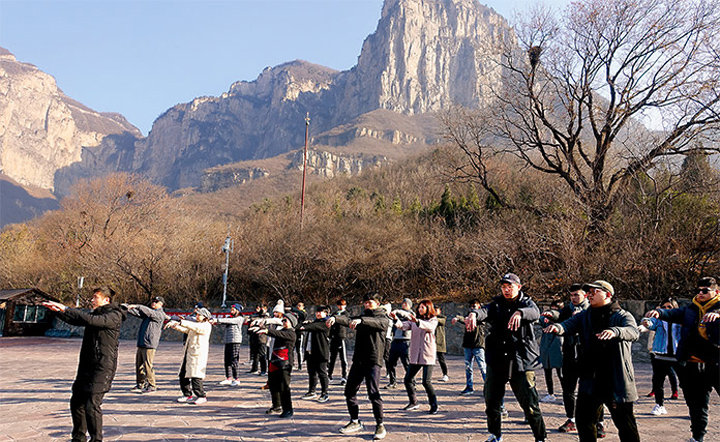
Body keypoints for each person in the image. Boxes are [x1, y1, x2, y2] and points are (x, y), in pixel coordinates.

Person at [545, 280, 640, 442]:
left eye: (594, 291)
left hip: (615, 380)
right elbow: (568, 324)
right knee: (584, 421)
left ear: (607, 294)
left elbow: (633, 331)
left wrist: (615, 331)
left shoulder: (621, 315)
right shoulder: (585, 315)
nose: (589, 295)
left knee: (626, 425)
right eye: (588, 292)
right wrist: (558, 328)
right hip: (590, 379)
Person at [467, 273, 548, 442]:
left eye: (510, 286)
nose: (506, 290)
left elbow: (535, 312)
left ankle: (540, 437)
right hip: (497, 360)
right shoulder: (497, 304)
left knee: (530, 405)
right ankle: (496, 435)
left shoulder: (527, 303)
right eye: (503, 287)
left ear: (519, 287)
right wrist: (474, 314)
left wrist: (520, 312)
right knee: (491, 402)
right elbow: (484, 311)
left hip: (521, 361)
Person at [43, 286, 127, 442]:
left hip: (102, 367)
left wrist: (66, 308)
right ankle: (78, 438)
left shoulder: (114, 315)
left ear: (106, 300)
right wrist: (58, 311)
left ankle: (96, 439)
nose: (92, 300)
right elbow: (77, 320)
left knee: (91, 405)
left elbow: (91, 320)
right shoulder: (96, 313)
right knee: (76, 402)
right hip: (87, 365)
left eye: (96, 297)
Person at [645, 276, 720, 442]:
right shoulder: (691, 309)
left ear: (716, 292)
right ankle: (697, 437)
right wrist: (660, 312)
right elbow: (673, 313)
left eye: (705, 291)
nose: (700, 293)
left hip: (716, 363)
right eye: (698, 290)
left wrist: (717, 314)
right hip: (693, 364)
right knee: (697, 405)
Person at [543, 284, 605, 435]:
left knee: (595, 390)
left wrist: (581, 316)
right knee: (568, 390)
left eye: (577, 295)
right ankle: (571, 419)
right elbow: (558, 315)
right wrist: (550, 314)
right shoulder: (567, 310)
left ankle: (599, 422)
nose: (573, 298)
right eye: (571, 295)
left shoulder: (592, 310)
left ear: (585, 295)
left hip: (588, 355)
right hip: (569, 355)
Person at [328, 291, 391, 441]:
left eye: (370, 302)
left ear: (378, 303)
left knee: (373, 393)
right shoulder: (362, 317)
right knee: (349, 391)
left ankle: (380, 425)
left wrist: (361, 321)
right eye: (365, 302)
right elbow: (348, 319)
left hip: (373, 359)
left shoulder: (383, 318)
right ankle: (355, 421)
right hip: (359, 360)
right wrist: (335, 318)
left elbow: (378, 323)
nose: (366, 304)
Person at [638, 297, 681, 416]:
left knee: (685, 382)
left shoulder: (680, 319)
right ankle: (659, 405)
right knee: (658, 382)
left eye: (669, 307)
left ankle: (692, 406)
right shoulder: (659, 320)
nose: (666, 309)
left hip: (677, 355)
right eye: (664, 307)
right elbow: (650, 322)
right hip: (660, 354)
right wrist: (646, 322)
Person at [250, 311, 298, 418]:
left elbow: (278, 334)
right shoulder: (281, 330)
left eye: (286, 320)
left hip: (285, 363)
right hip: (274, 361)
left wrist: (266, 330)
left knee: (284, 387)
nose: (283, 322)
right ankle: (276, 406)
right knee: (273, 385)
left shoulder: (291, 333)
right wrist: (260, 328)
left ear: (291, 322)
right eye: (283, 320)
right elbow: (275, 332)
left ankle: (288, 409)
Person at [397, 299, 439, 414]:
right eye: (419, 307)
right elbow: (403, 326)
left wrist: (417, 322)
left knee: (426, 382)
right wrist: (395, 319)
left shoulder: (433, 320)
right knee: (408, 379)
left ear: (428, 308)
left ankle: (434, 404)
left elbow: (430, 327)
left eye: (423, 307)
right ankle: (413, 402)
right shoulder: (414, 320)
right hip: (415, 355)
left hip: (427, 354)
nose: (420, 309)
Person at [165, 307, 213, 405]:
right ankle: (187, 394)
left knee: (196, 376)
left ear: (205, 317)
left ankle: (201, 396)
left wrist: (180, 322)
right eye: (197, 314)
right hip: (189, 353)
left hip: (197, 355)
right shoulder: (197, 324)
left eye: (199, 315)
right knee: (183, 375)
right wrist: (175, 326)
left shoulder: (206, 325)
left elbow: (194, 327)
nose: (197, 316)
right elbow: (187, 330)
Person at [125, 295, 169, 394]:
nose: (153, 303)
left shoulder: (159, 314)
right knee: (139, 365)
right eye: (153, 301)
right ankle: (140, 384)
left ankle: (152, 385)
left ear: (161, 304)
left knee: (148, 365)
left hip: (150, 344)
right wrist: (126, 307)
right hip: (142, 342)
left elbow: (149, 312)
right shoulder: (148, 313)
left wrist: (137, 306)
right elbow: (136, 312)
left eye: (156, 302)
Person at [452, 299, 487, 396]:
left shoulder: (481, 317)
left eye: (474, 306)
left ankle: (488, 388)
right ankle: (469, 387)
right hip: (468, 345)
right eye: (471, 306)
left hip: (478, 345)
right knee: (468, 368)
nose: (472, 308)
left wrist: (466, 318)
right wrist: (458, 318)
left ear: (479, 307)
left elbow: (471, 319)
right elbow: (464, 318)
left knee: (482, 367)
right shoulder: (468, 316)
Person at [299, 305, 332, 403]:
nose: (318, 314)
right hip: (310, 352)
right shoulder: (314, 322)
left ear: (326, 313)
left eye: (320, 312)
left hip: (321, 352)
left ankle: (325, 393)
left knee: (322, 373)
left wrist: (304, 326)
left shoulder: (326, 323)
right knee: (312, 373)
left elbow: (313, 327)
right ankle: (312, 391)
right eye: (317, 312)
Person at [211, 303, 246, 386]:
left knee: (234, 360)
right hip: (228, 341)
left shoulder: (239, 318)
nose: (231, 311)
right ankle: (229, 378)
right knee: (227, 360)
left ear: (238, 311)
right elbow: (225, 321)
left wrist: (217, 320)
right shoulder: (229, 318)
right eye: (231, 309)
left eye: (233, 310)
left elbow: (230, 321)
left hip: (235, 341)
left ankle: (236, 379)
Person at [538, 299, 564, 403]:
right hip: (546, 348)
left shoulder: (563, 319)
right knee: (547, 372)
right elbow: (539, 319)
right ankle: (550, 394)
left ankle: (565, 394)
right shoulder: (545, 319)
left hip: (557, 348)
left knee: (561, 374)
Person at [384, 298, 413, 389]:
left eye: (406, 304)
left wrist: (397, 311)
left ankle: (412, 382)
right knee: (391, 362)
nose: (403, 305)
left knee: (407, 363)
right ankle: (392, 382)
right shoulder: (398, 315)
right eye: (403, 303)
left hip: (406, 341)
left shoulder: (411, 314)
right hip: (396, 340)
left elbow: (406, 315)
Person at [328, 299, 350, 385]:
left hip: (341, 338)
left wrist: (336, 318)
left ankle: (344, 376)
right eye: (339, 305)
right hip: (334, 338)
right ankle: (329, 375)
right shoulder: (334, 313)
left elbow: (345, 320)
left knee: (343, 359)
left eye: (342, 305)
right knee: (332, 358)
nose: (341, 307)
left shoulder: (346, 313)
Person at [248, 304, 269, 375]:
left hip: (262, 338)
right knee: (255, 354)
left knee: (262, 355)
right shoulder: (255, 315)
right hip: (254, 337)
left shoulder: (266, 317)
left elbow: (264, 324)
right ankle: (254, 368)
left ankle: (264, 370)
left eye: (263, 308)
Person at [292, 301, 307, 370]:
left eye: (300, 305)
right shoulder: (295, 313)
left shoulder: (303, 313)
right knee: (292, 348)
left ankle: (300, 365)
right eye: (298, 305)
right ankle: (292, 363)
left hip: (300, 333)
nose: (298, 307)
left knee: (299, 349)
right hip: (293, 332)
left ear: (303, 307)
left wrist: (292, 309)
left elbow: (302, 315)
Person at [435, 306, 449, 382]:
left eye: (436, 310)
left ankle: (445, 374)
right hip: (430, 342)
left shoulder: (442, 318)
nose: (434, 311)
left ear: (440, 311)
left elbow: (440, 321)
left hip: (439, 342)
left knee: (441, 359)